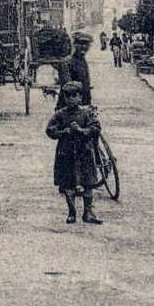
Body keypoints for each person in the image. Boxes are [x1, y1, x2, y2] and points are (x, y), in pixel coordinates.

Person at [46, 81, 103, 225]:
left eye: (74, 96)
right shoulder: (60, 114)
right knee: (68, 184)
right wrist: (64, 132)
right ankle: (72, 212)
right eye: (68, 97)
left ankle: (88, 212)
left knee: (88, 183)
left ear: (80, 97)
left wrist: (81, 131)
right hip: (66, 153)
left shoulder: (87, 113)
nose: (71, 99)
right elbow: (50, 130)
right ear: (64, 98)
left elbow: (96, 128)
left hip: (84, 152)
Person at [67, 31, 93, 106]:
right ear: (75, 44)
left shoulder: (82, 61)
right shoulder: (69, 62)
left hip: (83, 102)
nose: (84, 47)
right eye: (81, 44)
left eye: (86, 44)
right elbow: (67, 87)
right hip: (71, 105)